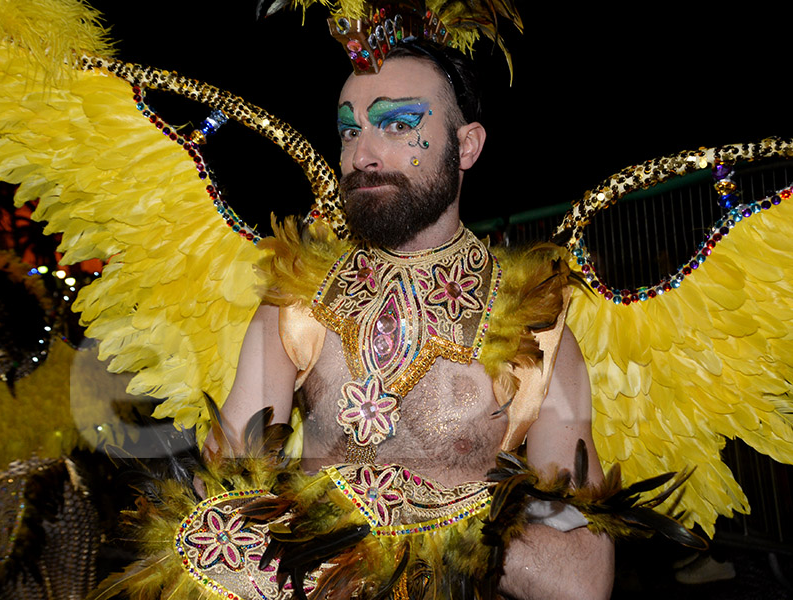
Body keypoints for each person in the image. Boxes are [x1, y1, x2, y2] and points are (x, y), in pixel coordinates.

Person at [212, 42, 615, 600]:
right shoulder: (295, 306)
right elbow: (222, 511)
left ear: (466, 146)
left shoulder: (536, 330)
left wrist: (395, 531)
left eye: (397, 124)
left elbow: (581, 575)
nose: (362, 155)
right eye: (349, 131)